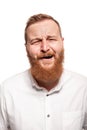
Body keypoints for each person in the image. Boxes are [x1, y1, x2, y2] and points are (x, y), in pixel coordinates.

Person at [0, 13, 87, 130]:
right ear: (26, 48)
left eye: (51, 39)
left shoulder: (83, 87)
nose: (45, 48)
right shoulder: (7, 91)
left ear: (62, 42)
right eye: (36, 41)